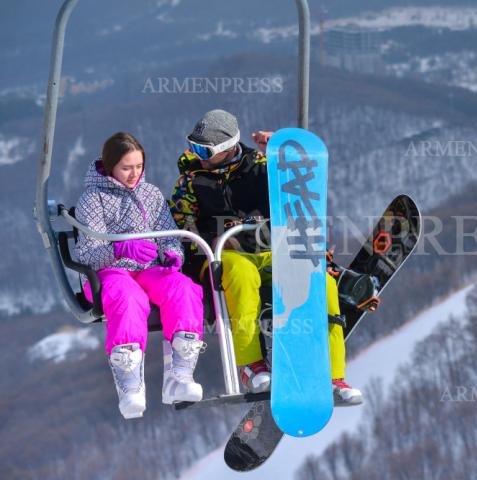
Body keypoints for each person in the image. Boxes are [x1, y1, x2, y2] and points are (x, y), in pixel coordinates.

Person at [170, 109, 362, 405]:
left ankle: (332, 374)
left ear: (227, 147)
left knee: (321, 284)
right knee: (241, 276)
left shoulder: (261, 169)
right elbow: (183, 226)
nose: (198, 156)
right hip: (224, 255)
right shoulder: (192, 182)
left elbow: (300, 194)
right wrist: (215, 241)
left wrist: (282, 157)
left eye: (203, 150)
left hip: (271, 249)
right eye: (193, 147)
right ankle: (251, 364)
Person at [75, 132, 206, 419]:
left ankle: (180, 376)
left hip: (147, 269)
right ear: (111, 166)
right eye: (126, 167)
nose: (134, 174)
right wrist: (120, 247)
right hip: (110, 273)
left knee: (182, 288)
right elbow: (87, 253)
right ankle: (130, 384)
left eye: (138, 166)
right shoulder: (92, 199)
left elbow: (168, 235)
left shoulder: (151, 194)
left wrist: (173, 254)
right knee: (128, 297)